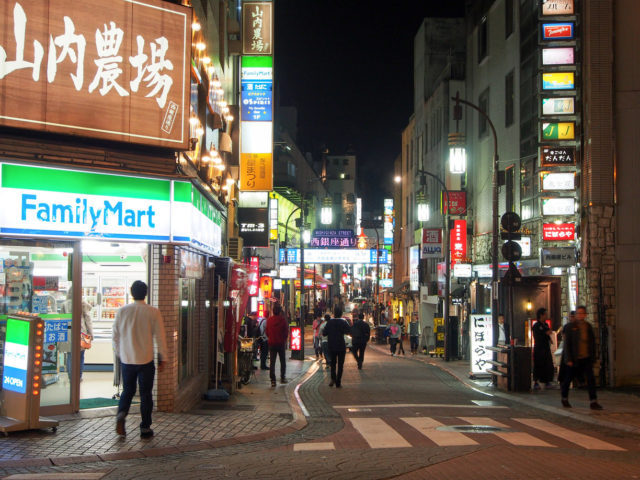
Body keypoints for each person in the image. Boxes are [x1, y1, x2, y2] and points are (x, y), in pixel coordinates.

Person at [112, 281, 167, 438]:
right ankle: (145, 427)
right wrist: (163, 356)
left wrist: (119, 353)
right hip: (146, 360)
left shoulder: (122, 311)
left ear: (131, 292)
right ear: (146, 293)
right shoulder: (153, 312)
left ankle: (121, 414)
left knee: (127, 391)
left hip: (127, 359)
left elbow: (115, 336)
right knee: (146, 394)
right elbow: (160, 337)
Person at [561, 306, 603, 410]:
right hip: (574, 358)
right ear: (576, 315)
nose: (580, 315)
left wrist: (593, 356)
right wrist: (568, 359)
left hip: (586, 357)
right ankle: (564, 397)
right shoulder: (571, 327)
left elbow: (592, 342)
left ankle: (593, 401)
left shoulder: (588, 326)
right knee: (568, 378)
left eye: (582, 313)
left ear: (585, 315)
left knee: (590, 379)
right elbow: (567, 344)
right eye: (578, 313)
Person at [322, 306, 351, 387]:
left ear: (334, 314)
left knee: (333, 363)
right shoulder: (343, 322)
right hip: (341, 345)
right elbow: (348, 331)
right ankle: (338, 382)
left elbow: (324, 333)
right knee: (340, 365)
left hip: (331, 345)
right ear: (341, 314)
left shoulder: (330, 322)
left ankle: (333, 379)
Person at [266, 303, 289, 387]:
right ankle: (282, 377)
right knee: (282, 361)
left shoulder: (269, 320)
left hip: (272, 343)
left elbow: (267, 332)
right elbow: (286, 332)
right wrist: (283, 339)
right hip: (281, 343)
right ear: (280, 312)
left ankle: (273, 380)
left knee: (272, 362)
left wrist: (271, 337)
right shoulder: (283, 320)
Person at [532, 307, 554, 390]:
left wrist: (550, 338)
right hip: (539, 348)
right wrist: (545, 333)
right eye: (545, 314)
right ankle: (536, 382)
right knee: (538, 365)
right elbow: (537, 336)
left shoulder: (546, 325)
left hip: (546, 348)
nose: (546, 316)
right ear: (541, 315)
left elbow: (548, 334)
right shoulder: (536, 326)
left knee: (548, 364)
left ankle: (547, 381)